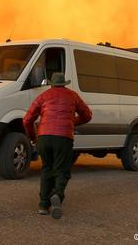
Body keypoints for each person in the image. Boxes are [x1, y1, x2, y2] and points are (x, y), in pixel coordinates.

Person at [23, 72, 92, 219]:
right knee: (62, 170)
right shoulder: (73, 96)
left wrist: (33, 136)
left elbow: (27, 120)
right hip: (63, 138)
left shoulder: (43, 96)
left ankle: (43, 205)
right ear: (64, 83)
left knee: (47, 168)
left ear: (52, 83)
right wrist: (73, 121)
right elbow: (87, 115)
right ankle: (57, 195)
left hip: (44, 137)